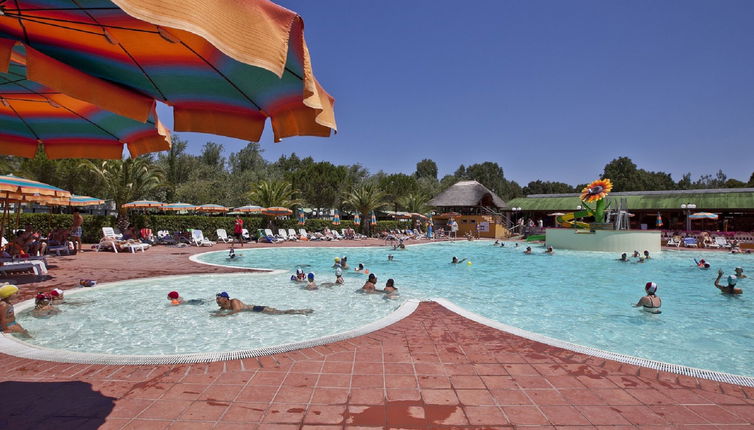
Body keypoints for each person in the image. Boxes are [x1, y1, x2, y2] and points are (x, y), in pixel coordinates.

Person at [213, 292, 313, 316]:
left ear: (225, 299)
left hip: (258, 309)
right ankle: (301, 311)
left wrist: (225, 315)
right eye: (216, 299)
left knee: (281, 313)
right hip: (256, 311)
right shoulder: (223, 306)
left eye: (219, 298)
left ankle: (302, 311)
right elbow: (219, 312)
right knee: (281, 313)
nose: (217, 300)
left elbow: (237, 310)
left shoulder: (234, 301)